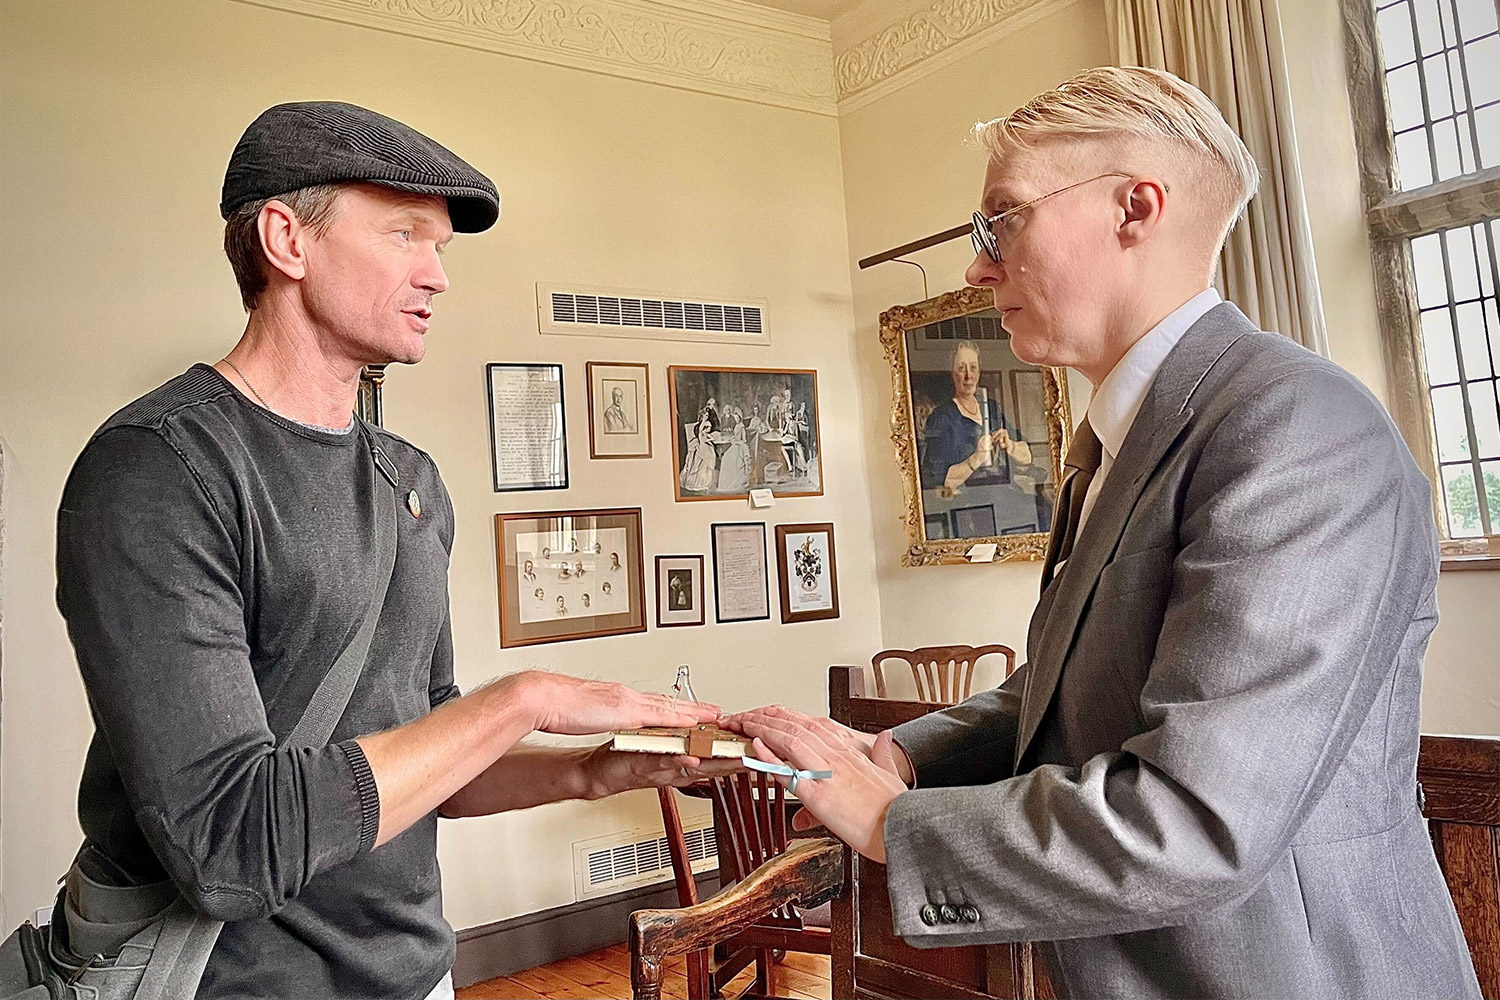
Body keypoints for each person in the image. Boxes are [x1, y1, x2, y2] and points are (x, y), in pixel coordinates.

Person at [729, 67, 1480, 1000]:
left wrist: (895, 826)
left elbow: (1197, 820)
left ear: (1136, 208)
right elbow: (1074, 688)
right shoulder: (1126, 439)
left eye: (1001, 221)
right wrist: (906, 754)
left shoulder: (1296, 429)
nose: (976, 265)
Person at [53, 101, 733, 1000]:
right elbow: (230, 846)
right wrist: (527, 698)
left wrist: (587, 768)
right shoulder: (158, 470)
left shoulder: (409, 480)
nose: (438, 276)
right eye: (407, 235)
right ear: (287, 240)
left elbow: (429, 750)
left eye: (442, 247)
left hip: (417, 975)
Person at [919, 340, 1031, 492]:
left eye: (973, 368)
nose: (968, 376)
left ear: (979, 372)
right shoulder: (942, 417)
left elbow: (1027, 457)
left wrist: (1010, 445)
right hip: (970, 503)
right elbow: (935, 481)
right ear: (952, 373)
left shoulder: (991, 407)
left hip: (1005, 494)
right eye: (961, 368)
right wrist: (977, 458)